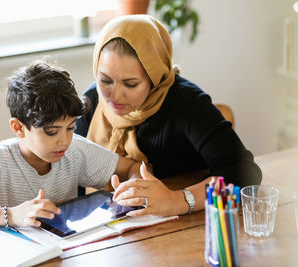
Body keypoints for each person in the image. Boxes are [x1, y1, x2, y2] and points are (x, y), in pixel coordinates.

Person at [75, 15, 262, 217]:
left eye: (131, 84)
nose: (115, 95)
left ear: (155, 78)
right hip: (116, 229)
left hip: (184, 227)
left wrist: (179, 200)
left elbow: (244, 171)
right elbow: (70, 174)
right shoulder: (91, 102)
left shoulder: (187, 103)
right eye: (105, 80)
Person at [0, 61, 141, 227]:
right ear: (19, 128)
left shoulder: (74, 150)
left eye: (70, 128)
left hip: (61, 250)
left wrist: (133, 189)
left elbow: (132, 167)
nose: (64, 140)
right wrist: (11, 215)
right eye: (51, 132)